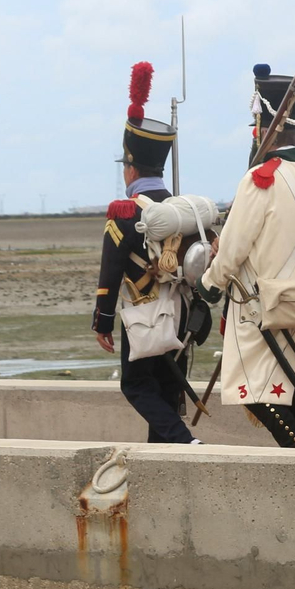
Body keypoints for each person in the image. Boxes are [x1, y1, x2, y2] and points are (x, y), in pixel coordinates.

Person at [198, 65, 295, 448]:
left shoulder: (262, 177)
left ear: (261, 127)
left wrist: (209, 283)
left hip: (260, 303)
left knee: (259, 394)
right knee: (291, 388)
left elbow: (234, 245)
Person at [92, 62, 201, 444]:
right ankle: (165, 458)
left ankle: (185, 442)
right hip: (182, 312)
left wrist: (102, 320)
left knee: (136, 385)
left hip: (144, 310)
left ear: (130, 167)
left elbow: (111, 269)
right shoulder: (183, 210)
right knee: (167, 388)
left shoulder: (124, 212)